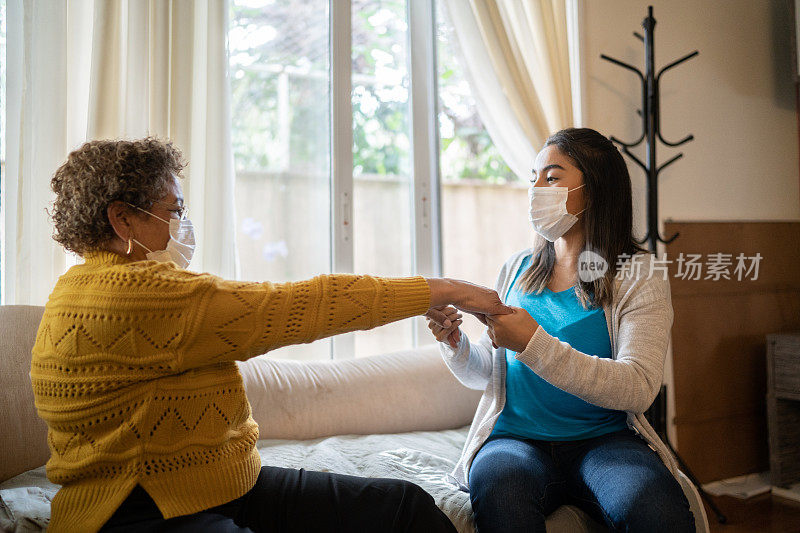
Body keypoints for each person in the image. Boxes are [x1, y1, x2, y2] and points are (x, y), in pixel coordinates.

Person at [32, 137, 512, 533]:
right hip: (136, 508)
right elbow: (305, 305)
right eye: (171, 210)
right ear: (123, 219)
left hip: (219, 486)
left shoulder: (75, 287)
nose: (182, 224)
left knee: (404, 507)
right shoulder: (142, 295)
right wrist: (445, 289)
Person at [426, 128, 696, 532]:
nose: (536, 189)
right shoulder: (516, 269)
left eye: (551, 178)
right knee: (500, 488)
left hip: (604, 442)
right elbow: (488, 373)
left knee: (657, 511)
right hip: (515, 440)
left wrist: (533, 343)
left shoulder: (639, 274)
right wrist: (456, 344)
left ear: (596, 188)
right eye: (533, 177)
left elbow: (640, 387)